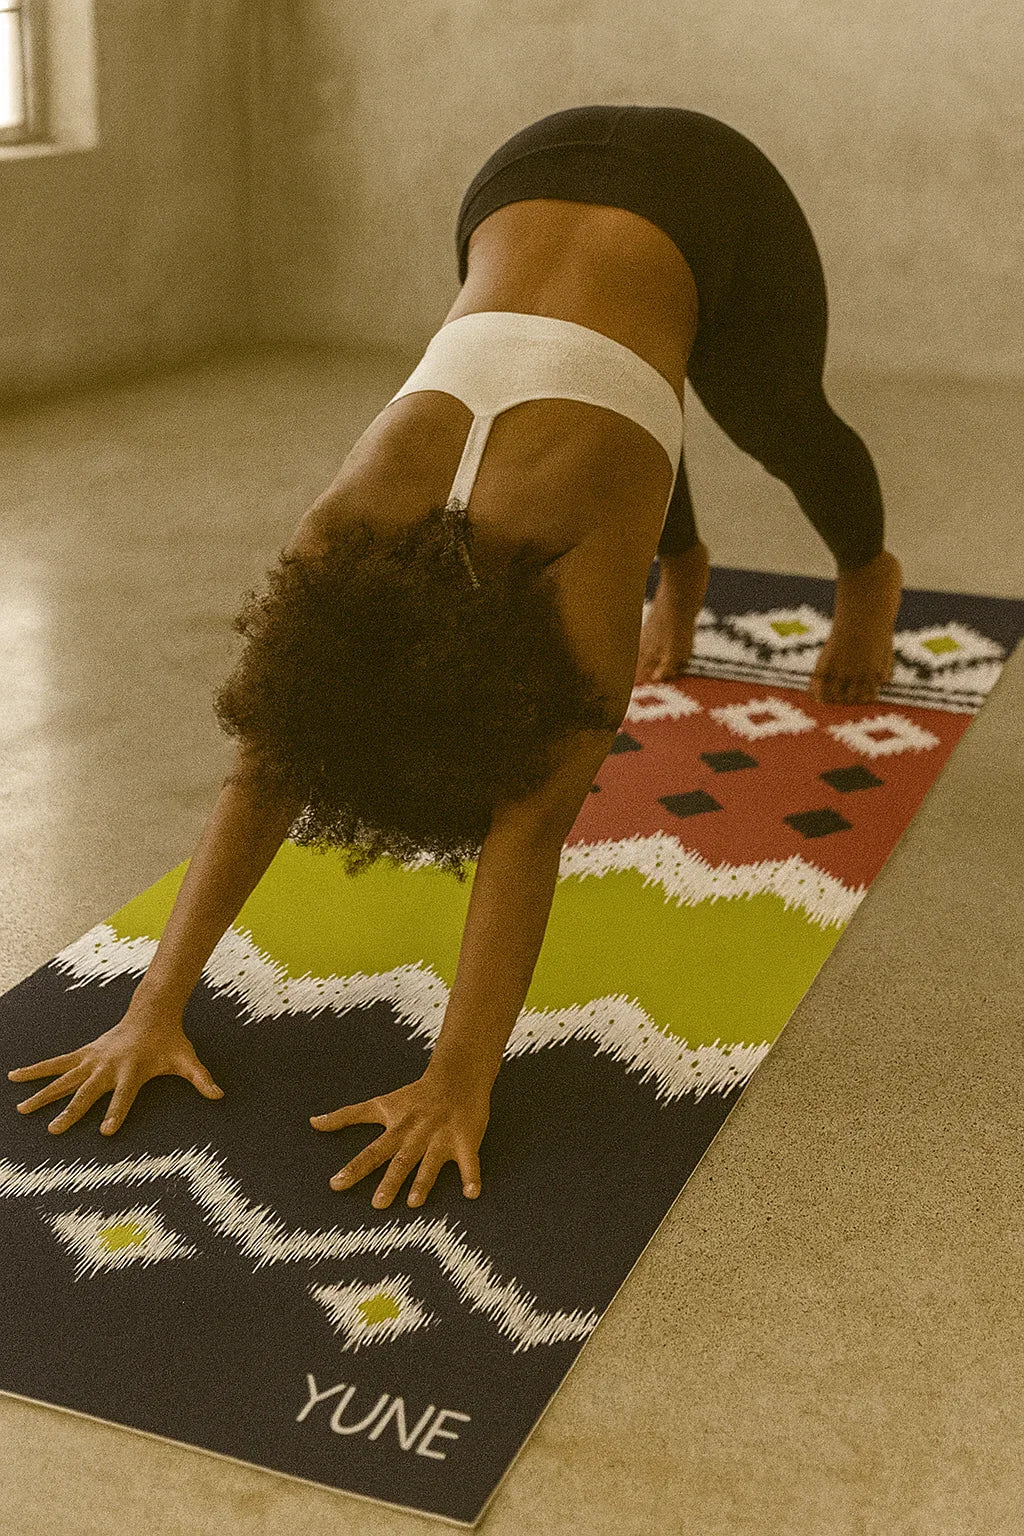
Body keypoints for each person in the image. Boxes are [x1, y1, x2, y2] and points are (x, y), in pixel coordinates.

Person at [8, 104, 904, 1209]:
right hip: (516, 178)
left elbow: (529, 826)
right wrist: (150, 1007)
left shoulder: (557, 575)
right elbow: (265, 768)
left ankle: (869, 572)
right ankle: (684, 562)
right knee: (627, 429)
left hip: (715, 190)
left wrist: (457, 1081)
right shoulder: (341, 536)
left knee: (775, 416)